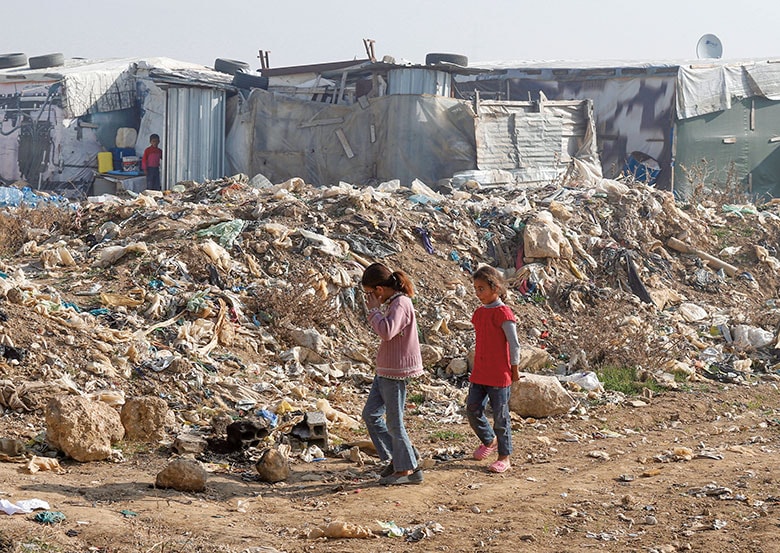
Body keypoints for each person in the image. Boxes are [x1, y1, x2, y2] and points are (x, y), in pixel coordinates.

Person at [360, 262, 424, 485]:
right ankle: (404, 455)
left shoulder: (400, 304)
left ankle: (406, 469)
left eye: (369, 293)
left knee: (395, 423)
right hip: (385, 369)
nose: (369, 298)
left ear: (379, 289)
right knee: (370, 414)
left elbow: (387, 331)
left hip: (395, 371)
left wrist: (373, 312)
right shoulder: (394, 303)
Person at [467, 265, 522, 473]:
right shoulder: (479, 313)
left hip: (499, 374)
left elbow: (514, 344)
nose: (477, 293)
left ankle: (504, 457)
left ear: (495, 288)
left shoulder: (503, 313)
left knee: (501, 416)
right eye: (476, 288)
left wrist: (514, 368)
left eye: (481, 288)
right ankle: (489, 440)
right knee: (472, 409)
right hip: (480, 372)